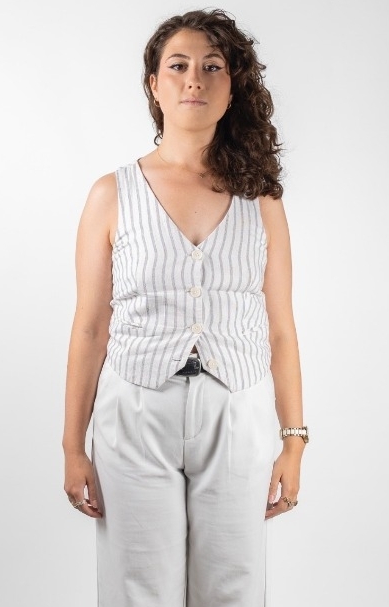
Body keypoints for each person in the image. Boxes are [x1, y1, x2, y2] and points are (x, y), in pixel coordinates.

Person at [62, 8, 307, 606]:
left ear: (232, 87)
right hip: (134, 409)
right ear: (154, 84)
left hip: (236, 408)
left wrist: (294, 439)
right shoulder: (112, 194)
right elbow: (90, 328)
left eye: (212, 66)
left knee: (233, 587)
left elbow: (280, 329)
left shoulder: (261, 200)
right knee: (137, 587)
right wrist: (72, 446)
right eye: (178, 66)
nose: (194, 78)